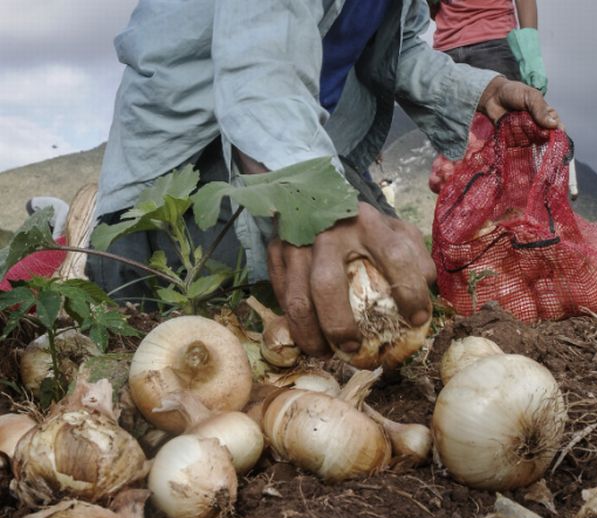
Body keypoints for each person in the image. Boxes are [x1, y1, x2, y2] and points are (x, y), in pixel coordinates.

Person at [89, 0, 560, 358]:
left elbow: (399, 51)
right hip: (195, 147)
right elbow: (259, 68)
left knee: (400, 285)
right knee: (183, 330)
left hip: (307, 135)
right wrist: (319, 211)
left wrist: (478, 89)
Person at [431, 0, 548, 93]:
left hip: (494, 44)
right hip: (446, 50)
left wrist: (531, 55)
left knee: (505, 120)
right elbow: (432, 10)